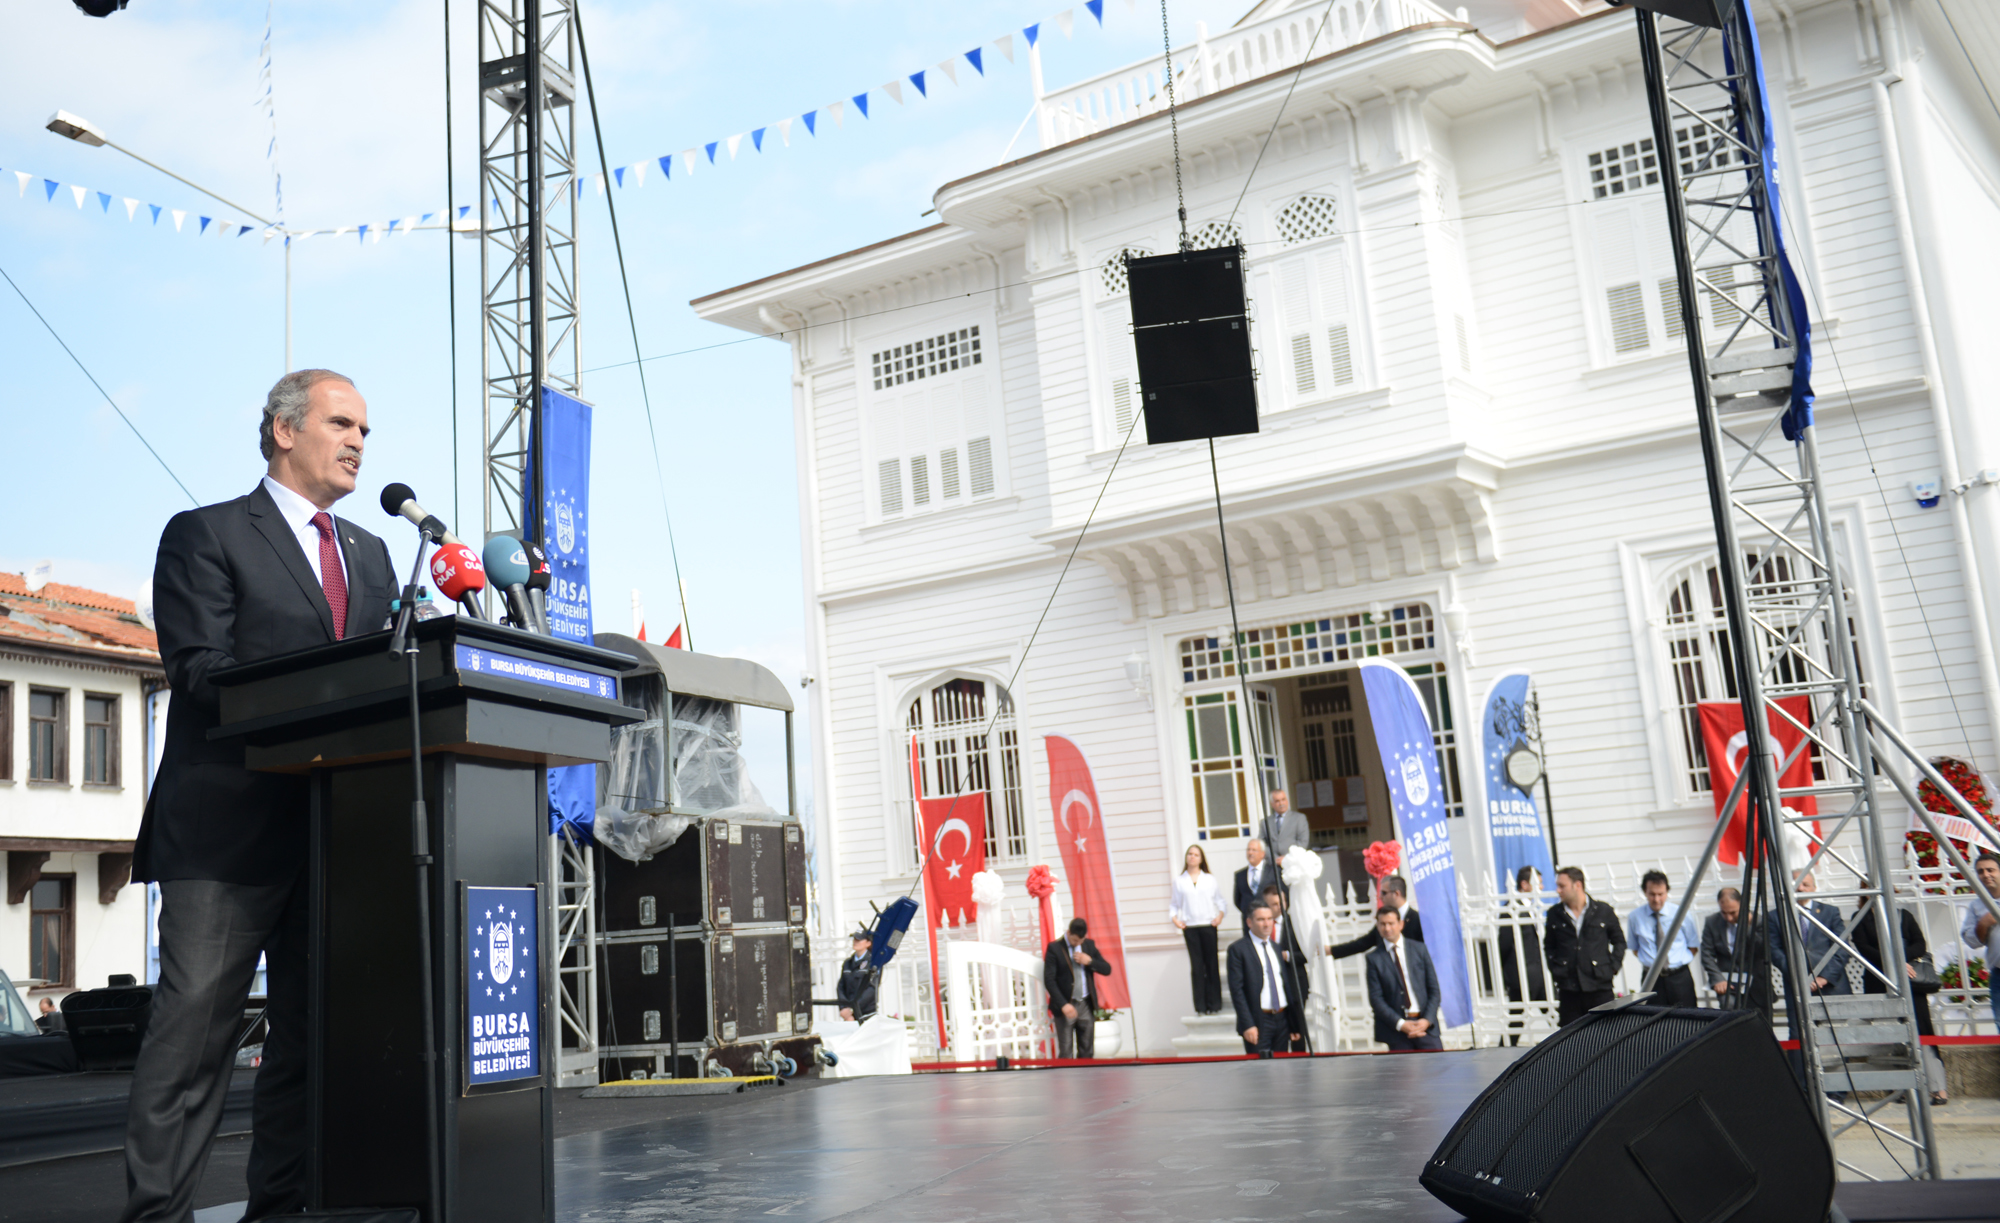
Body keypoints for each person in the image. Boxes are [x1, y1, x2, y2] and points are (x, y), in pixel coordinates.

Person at [124, 369, 397, 1223]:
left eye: (365, 430)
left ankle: (281, 1208)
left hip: (333, 838)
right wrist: (323, 692)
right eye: (341, 423)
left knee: (309, 1044)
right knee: (193, 1045)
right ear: (284, 429)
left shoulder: (372, 553)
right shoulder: (205, 534)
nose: (358, 441)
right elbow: (199, 670)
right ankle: (157, 1214)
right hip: (225, 836)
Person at [1851, 902, 1947, 1105]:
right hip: (1879, 980)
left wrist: (1901, 961)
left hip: (1910, 980)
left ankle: (1937, 1087)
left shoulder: (1904, 915)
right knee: (1890, 1033)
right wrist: (1894, 962)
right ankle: (1900, 1088)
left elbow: (1920, 944)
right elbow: (1863, 949)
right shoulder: (1860, 918)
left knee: (1923, 1031)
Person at [1544, 866, 1625, 1025]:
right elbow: (1549, 946)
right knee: (1571, 1035)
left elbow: (1619, 942)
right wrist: (1557, 970)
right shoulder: (1555, 914)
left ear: (1578, 885)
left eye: (1562, 886)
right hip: (1569, 990)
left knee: (1605, 1032)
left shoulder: (1603, 911)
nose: (1558, 890)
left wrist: (1612, 968)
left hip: (1600, 988)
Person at [1366, 906, 1442, 1051]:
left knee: (1438, 1064)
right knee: (1404, 1067)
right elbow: (1376, 999)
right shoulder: (1374, 958)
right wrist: (1401, 1024)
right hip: (1397, 1031)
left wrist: (1426, 1020)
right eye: (1382, 924)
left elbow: (1434, 990)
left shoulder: (1419, 949)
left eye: (1391, 923)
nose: (1387, 928)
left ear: (1400, 924)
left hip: (1425, 1027)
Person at [1627, 870, 1700, 1009]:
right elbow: (1635, 948)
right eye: (1652, 894)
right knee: (1654, 1018)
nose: (1656, 899)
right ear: (1645, 892)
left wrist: (1677, 962)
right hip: (1651, 979)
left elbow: (1693, 945)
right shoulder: (1635, 917)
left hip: (1679, 977)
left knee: (1687, 1016)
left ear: (1667, 892)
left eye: (1660, 894)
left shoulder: (1680, 913)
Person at [1227, 904, 1292, 1056]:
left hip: (1281, 1019)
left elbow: (1284, 984)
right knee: (1260, 1068)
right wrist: (1248, 1024)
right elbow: (1237, 990)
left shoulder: (1276, 948)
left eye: (1270, 919)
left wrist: (1293, 1023)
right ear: (1249, 922)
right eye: (1261, 919)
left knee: (1283, 1065)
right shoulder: (1238, 949)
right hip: (1259, 1021)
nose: (1267, 924)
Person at [1044, 918, 1113, 1059]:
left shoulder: (1088, 945)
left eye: (1080, 941)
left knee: (1087, 1049)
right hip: (1066, 1004)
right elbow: (1049, 980)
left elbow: (1107, 969)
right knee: (1066, 1051)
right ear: (1069, 932)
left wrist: (1090, 961)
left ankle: (1086, 1073)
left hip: (1085, 1003)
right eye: (1075, 940)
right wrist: (1063, 1004)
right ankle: (1066, 1074)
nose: (1077, 944)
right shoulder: (1055, 948)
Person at [1170, 844, 1226, 1015]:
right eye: (1190, 854)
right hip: (1191, 927)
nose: (1192, 857)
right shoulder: (1180, 881)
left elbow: (1220, 900)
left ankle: (1214, 1004)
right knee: (1197, 967)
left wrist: (1220, 916)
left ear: (1201, 859)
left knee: (1211, 964)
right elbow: (1174, 904)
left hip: (1208, 925)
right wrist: (1175, 919)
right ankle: (1200, 1006)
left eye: (1196, 854)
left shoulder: (1209, 879)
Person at [1775, 872, 1850, 997]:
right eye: (1796, 885)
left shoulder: (1830, 912)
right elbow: (1775, 952)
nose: (1800, 888)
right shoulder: (1776, 916)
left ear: (1814, 888)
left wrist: (1824, 977)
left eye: (1806, 885)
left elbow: (1842, 948)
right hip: (1798, 988)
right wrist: (1800, 977)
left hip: (1832, 986)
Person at [1497, 866, 1547, 1044]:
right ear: (1524, 884)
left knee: (1559, 1016)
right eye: (1538, 883)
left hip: (1539, 976)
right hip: (1521, 977)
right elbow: (1503, 945)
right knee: (1516, 1022)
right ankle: (1502, 1052)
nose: (1541, 887)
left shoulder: (1532, 907)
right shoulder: (1512, 908)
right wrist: (1510, 976)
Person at [1259, 884, 1310, 1050]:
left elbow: (1308, 954)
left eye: (1282, 901)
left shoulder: (1296, 923)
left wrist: (1287, 956)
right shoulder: (1261, 926)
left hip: (1295, 985)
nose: (1280, 906)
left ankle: (1300, 1063)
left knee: (1298, 1034)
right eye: (1274, 904)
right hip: (1272, 989)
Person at [1328, 875, 1425, 959]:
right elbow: (1363, 943)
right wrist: (1330, 950)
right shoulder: (1384, 920)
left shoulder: (1419, 920)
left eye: (1384, 893)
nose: (1380, 897)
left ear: (1396, 894)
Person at [1700, 887, 1763, 1010]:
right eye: (1724, 913)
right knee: (1729, 1008)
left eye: (1733, 913)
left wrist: (1748, 926)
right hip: (1728, 982)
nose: (1729, 918)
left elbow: (1762, 950)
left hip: (1755, 982)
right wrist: (1718, 979)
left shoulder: (1758, 921)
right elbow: (1706, 954)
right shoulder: (1712, 922)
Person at [1961, 851, 2000, 1029]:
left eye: (1990, 870)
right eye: (1981, 871)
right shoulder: (1977, 905)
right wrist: (1983, 924)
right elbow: (1972, 941)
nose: (1986, 875)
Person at [1259, 789, 1311, 870]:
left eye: (1283, 799)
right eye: (1277, 801)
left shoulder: (1299, 818)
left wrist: (1287, 858)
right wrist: (1274, 858)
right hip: (1273, 865)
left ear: (1287, 801)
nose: (1281, 803)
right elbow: (1261, 844)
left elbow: (1303, 842)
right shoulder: (1265, 822)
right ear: (1272, 804)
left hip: (1293, 865)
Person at [1233, 837, 1275, 935]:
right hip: (1249, 922)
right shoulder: (1240, 875)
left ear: (1262, 854)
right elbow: (1237, 900)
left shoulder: (1273, 872)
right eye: (1248, 850)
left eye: (1254, 850)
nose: (1250, 853)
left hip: (1268, 921)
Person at [836, 928, 877, 1022]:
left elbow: (871, 989)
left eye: (859, 940)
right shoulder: (848, 963)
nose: (855, 942)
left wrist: (852, 1008)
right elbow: (841, 987)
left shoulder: (872, 963)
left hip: (866, 1013)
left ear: (868, 943)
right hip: (849, 1015)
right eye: (855, 939)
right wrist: (844, 1008)